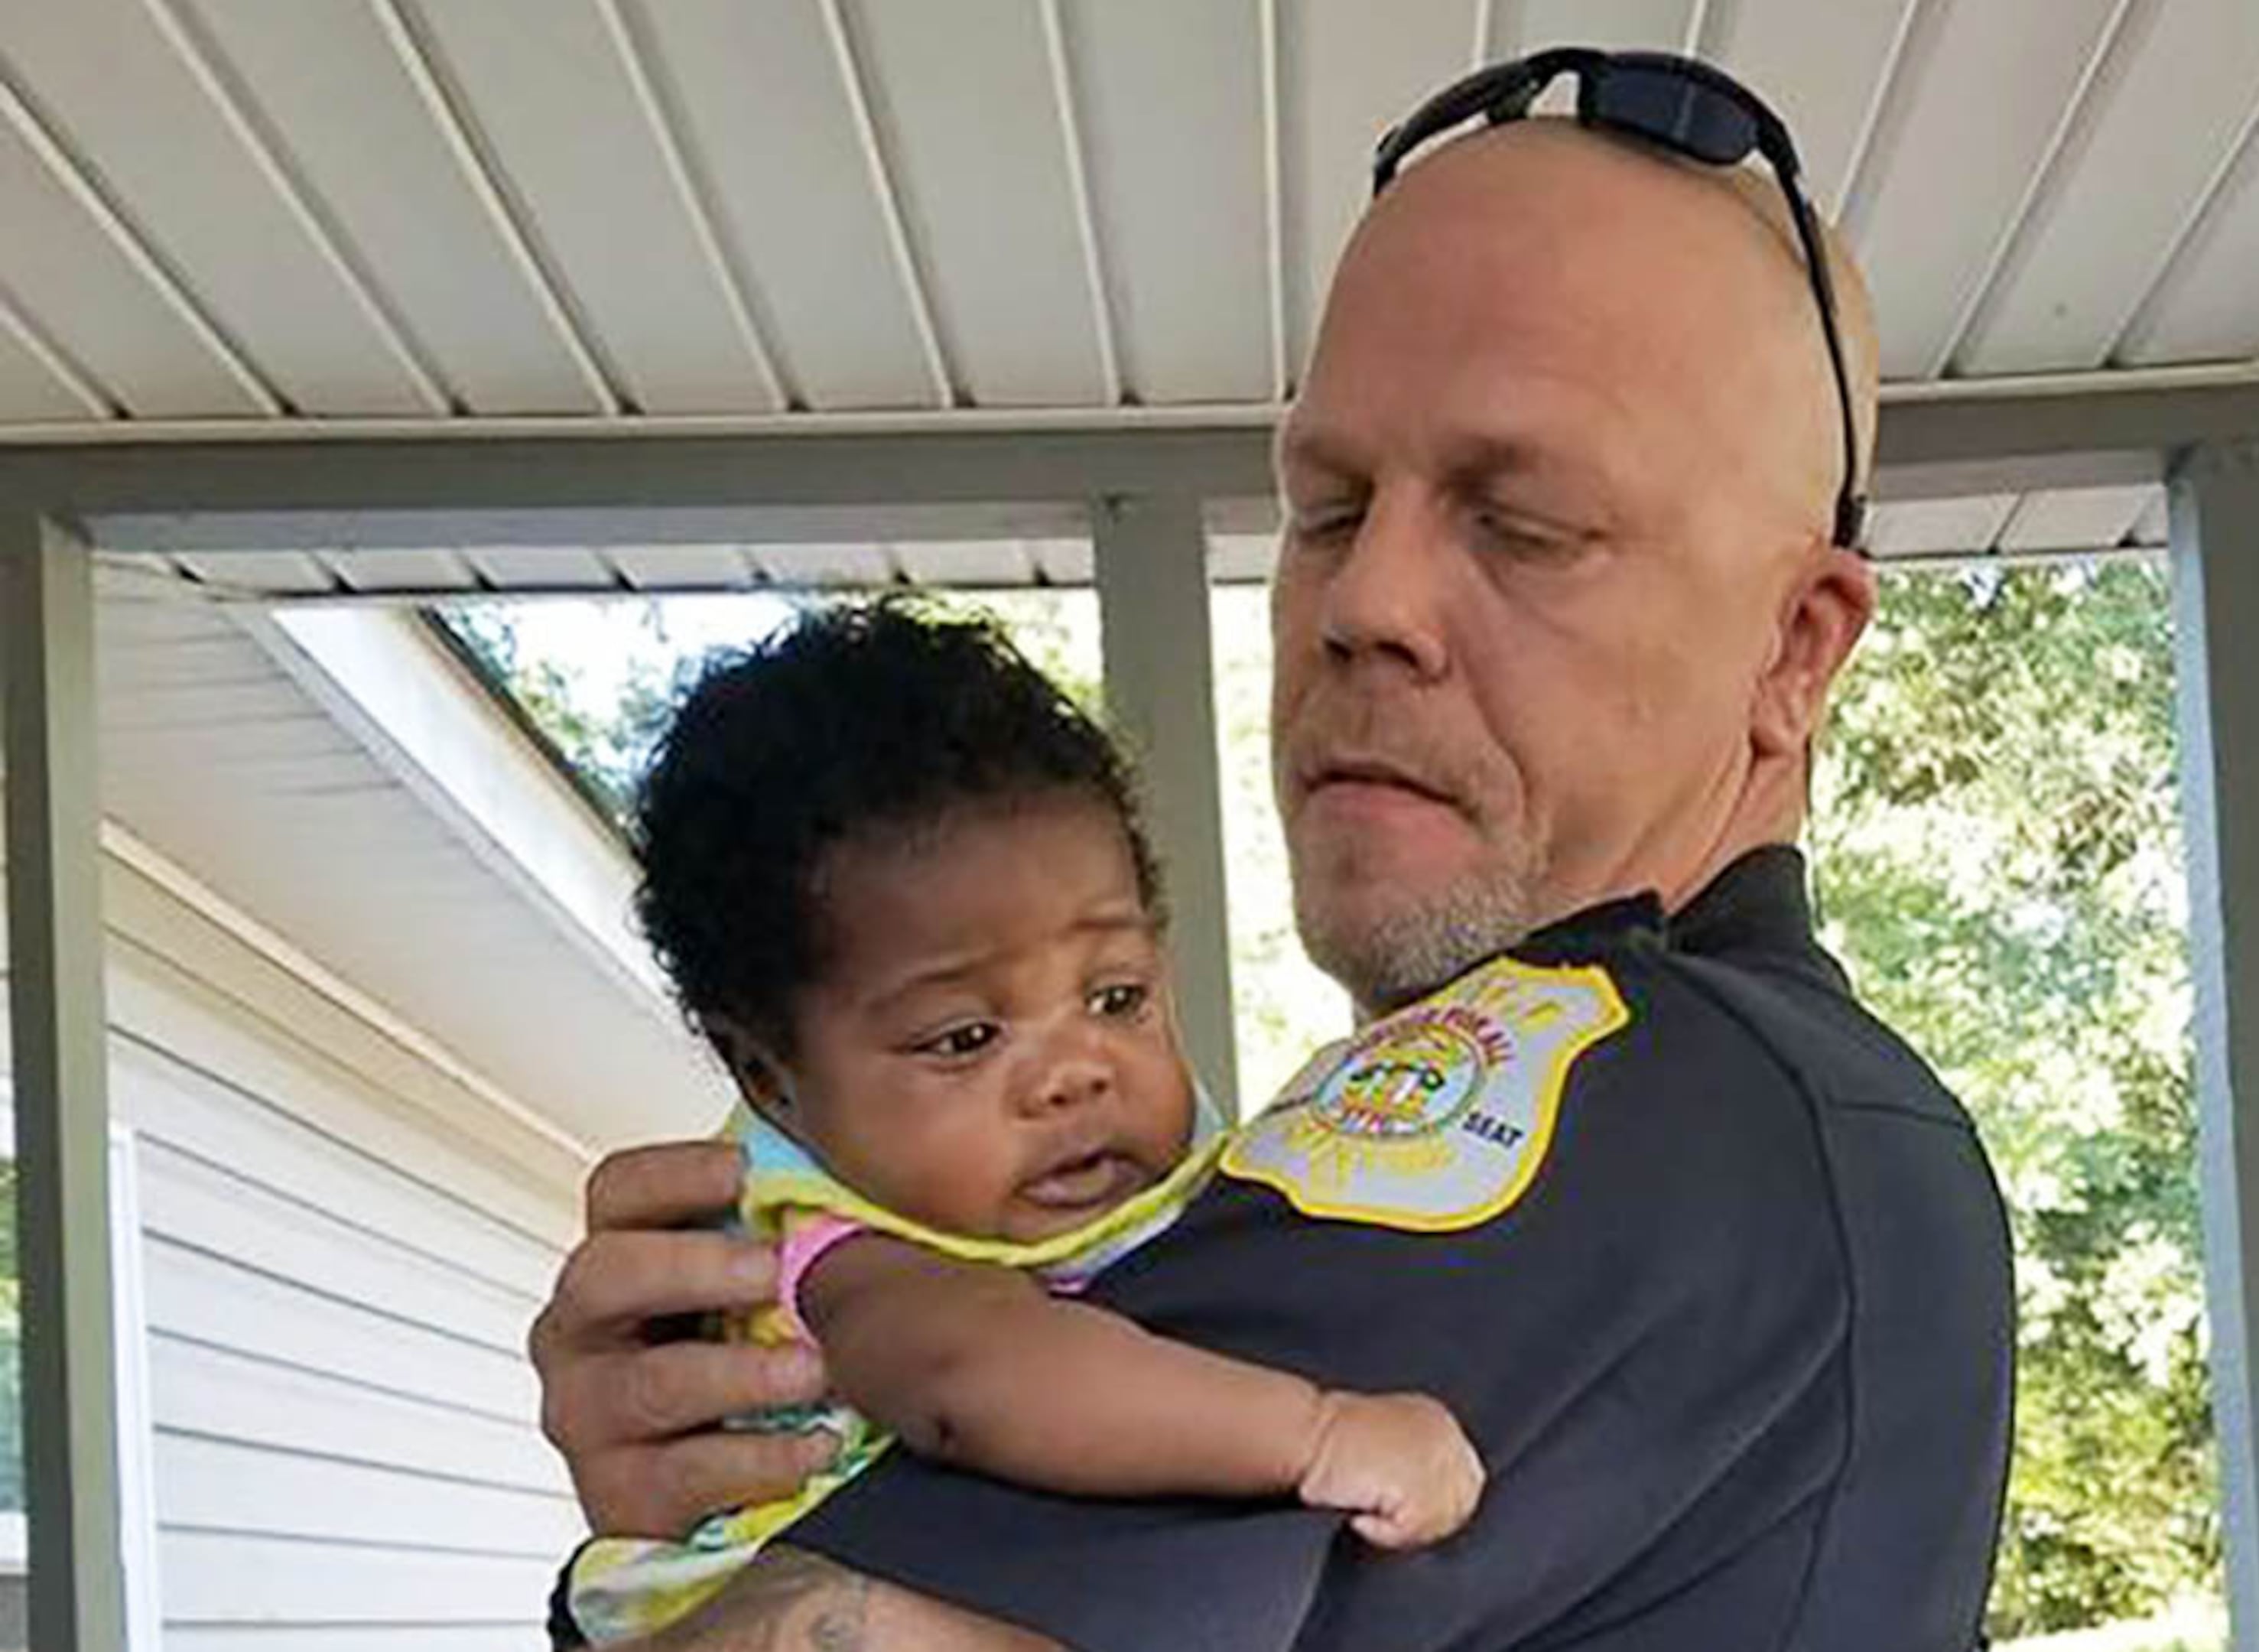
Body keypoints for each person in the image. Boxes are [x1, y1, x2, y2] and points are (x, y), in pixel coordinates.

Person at [531, 47, 2014, 1651]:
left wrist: (659, 1579)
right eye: (1327, 508)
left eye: (1521, 524)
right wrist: (733, 1464)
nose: (1363, 606)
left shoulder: (1631, 1094)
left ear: (1795, 649)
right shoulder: (1823, 1119)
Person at [559, 605, 1483, 1643]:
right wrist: (1316, 1432)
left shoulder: (1153, 1172)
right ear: (772, 1080)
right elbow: (982, 1382)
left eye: (1116, 997)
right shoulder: (836, 1261)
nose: (1074, 1074)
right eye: (963, 1039)